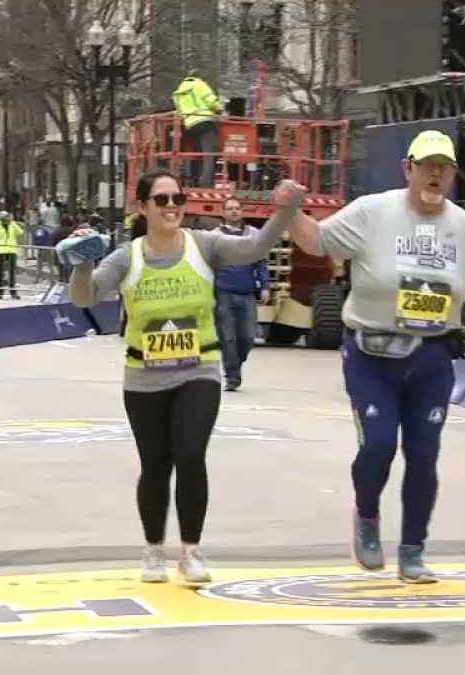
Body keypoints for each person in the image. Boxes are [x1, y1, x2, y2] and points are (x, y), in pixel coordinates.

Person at [287, 130, 465, 583]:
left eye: (444, 167)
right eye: (427, 165)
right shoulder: (373, 212)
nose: (435, 174)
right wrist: (290, 210)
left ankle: (413, 549)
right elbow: (317, 241)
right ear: (408, 168)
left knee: (424, 454)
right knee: (380, 444)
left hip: (431, 356)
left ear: (452, 174)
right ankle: (367, 514)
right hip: (372, 353)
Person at [64, 170, 303, 584]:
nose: (172, 206)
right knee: (155, 466)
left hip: (199, 369)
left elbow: (255, 246)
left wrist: (286, 210)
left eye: (178, 198)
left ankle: (191, 552)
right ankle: (154, 549)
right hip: (144, 376)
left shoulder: (204, 245)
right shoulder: (127, 257)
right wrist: (81, 264)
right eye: (162, 200)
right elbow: (86, 297)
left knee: (190, 455)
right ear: (143, 207)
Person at [212, 197, 271, 391]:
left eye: (237, 208)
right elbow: (207, 264)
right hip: (223, 294)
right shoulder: (214, 236)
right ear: (223, 213)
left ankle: (235, 363)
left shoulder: (253, 234)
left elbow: (260, 261)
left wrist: (264, 286)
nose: (234, 211)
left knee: (247, 337)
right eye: (230, 209)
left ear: (242, 211)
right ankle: (232, 377)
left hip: (246, 293)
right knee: (227, 337)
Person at [172, 72, 222, 187]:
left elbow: (179, 111)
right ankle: (206, 184)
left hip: (189, 125)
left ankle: (192, 179)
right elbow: (211, 101)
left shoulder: (178, 92)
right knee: (209, 156)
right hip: (204, 122)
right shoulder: (200, 84)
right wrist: (219, 108)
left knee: (196, 153)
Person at [0, 210, 24, 300]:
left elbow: (20, 232)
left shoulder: (12, 224)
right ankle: (0, 293)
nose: (5, 220)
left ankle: (13, 293)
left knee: (12, 273)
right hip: (2, 251)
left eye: (6, 217)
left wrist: (13, 223)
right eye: (3, 218)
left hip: (12, 251)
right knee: (1, 273)